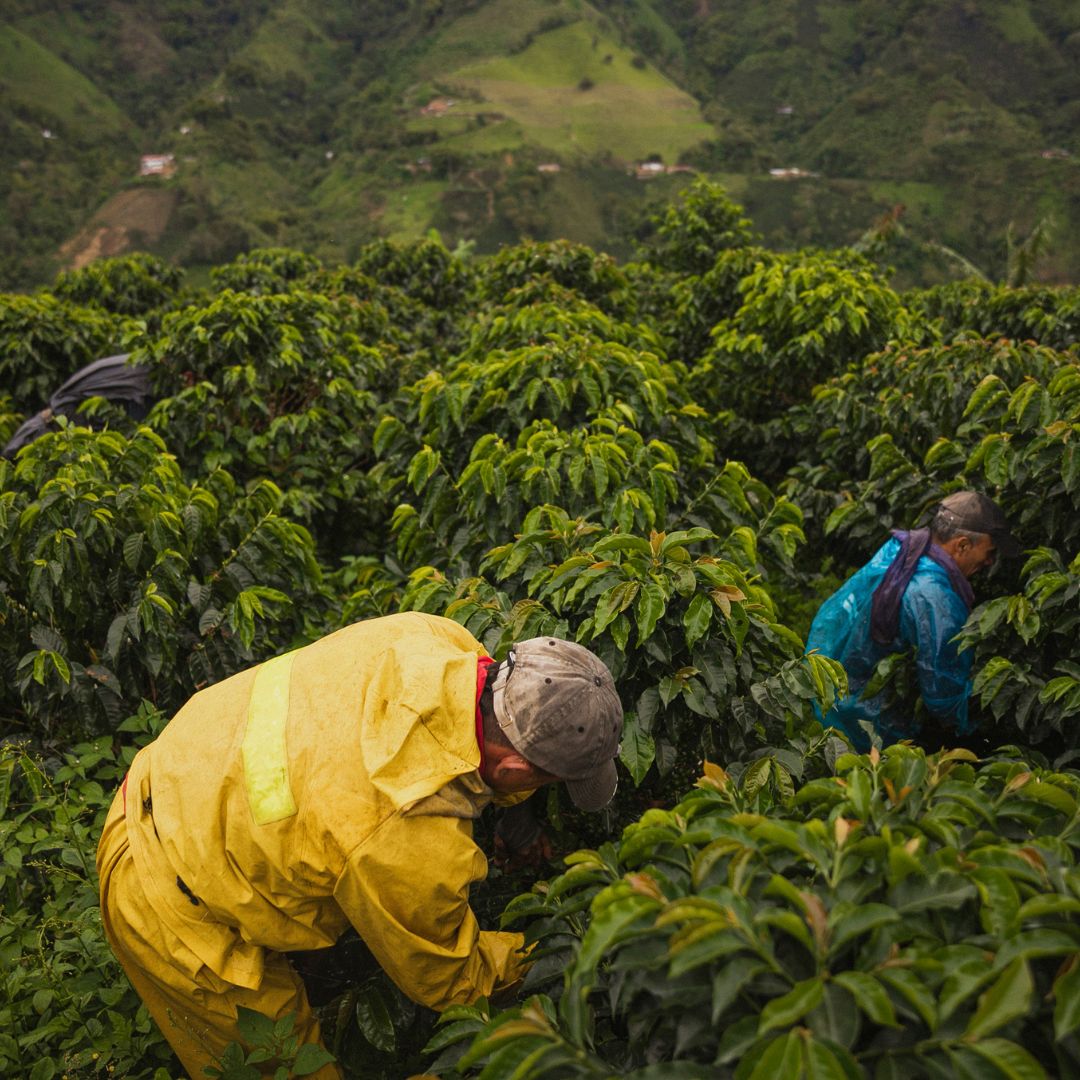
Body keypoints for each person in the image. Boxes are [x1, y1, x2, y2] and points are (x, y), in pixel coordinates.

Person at [96, 612, 623, 1078]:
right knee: (285, 1067)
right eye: (549, 781)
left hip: (175, 772)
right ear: (514, 769)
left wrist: (517, 818)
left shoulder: (435, 638)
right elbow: (451, 976)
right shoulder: (405, 832)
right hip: (163, 899)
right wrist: (562, 951)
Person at [806, 491, 1019, 750]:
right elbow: (944, 694)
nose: (989, 562)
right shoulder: (935, 597)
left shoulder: (903, 549)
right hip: (860, 717)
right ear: (962, 545)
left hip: (826, 685)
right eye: (990, 552)